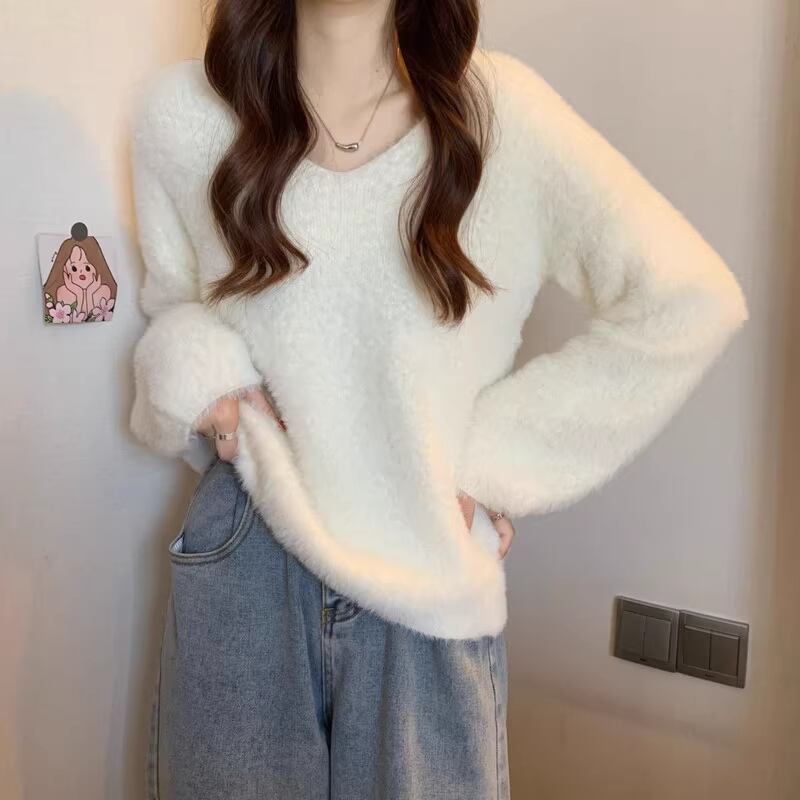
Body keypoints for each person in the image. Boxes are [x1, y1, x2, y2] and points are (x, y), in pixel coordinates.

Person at [128, 1, 749, 798]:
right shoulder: (182, 117)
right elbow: (174, 303)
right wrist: (201, 374)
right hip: (247, 548)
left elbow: (689, 299)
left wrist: (496, 461)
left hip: (426, 580)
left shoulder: (504, 116)